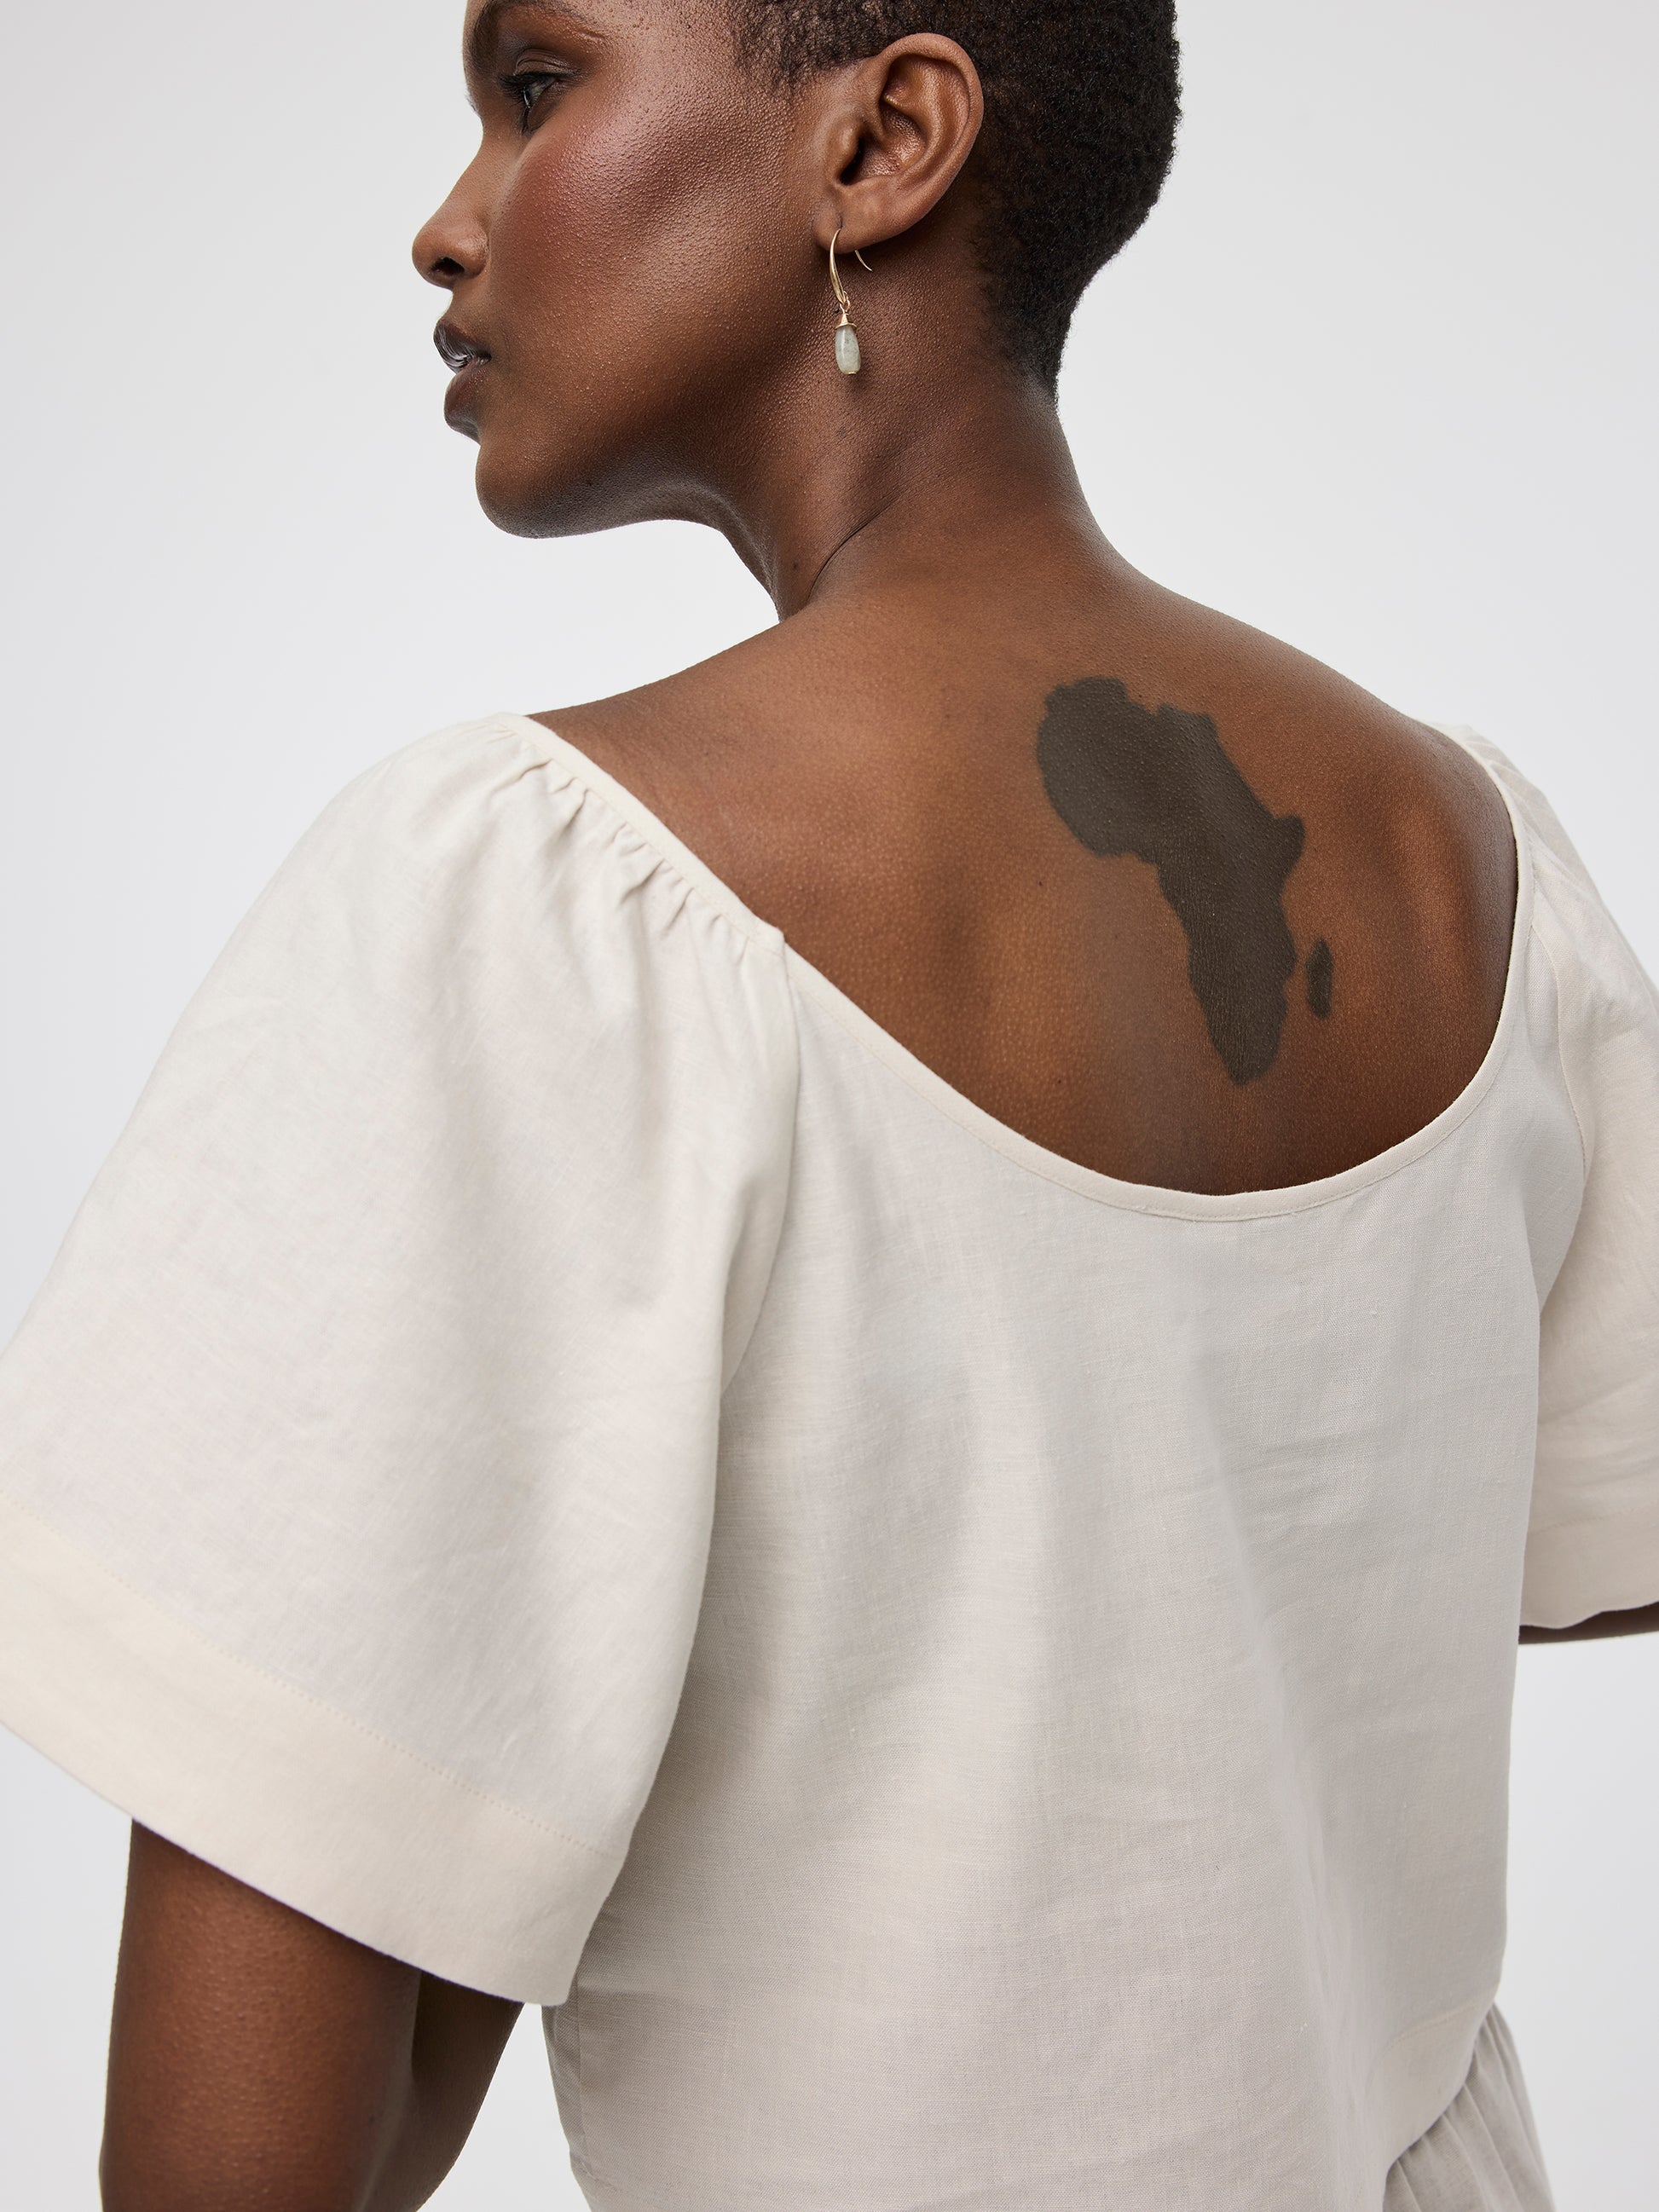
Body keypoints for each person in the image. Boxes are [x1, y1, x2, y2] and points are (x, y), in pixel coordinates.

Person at [0, 2, 1654, 2206]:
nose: (448, 224)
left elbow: (244, 2172)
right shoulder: (1476, 870)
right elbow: (1461, 1583)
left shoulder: (535, 910)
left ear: (883, 143)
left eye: (533, 89)